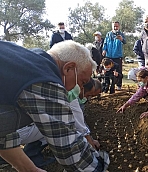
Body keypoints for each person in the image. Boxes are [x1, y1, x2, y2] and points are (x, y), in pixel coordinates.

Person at [0, 40, 108, 171]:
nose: (79, 88)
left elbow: (3, 127)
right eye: (82, 82)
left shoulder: (31, 59)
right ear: (68, 68)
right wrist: (98, 167)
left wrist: (29, 169)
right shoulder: (44, 79)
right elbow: (68, 148)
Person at [102, 21, 126, 90]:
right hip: (109, 55)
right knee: (107, 70)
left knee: (118, 71)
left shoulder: (121, 34)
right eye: (114, 26)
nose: (115, 28)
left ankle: (119, 85)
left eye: (116, 26)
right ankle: (106, 85)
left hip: (117, 56)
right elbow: (105, 43)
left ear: (119, 26)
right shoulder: (108, 34)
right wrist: (104, 50)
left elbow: (125, 42)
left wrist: (121, 39)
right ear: (112, 26)